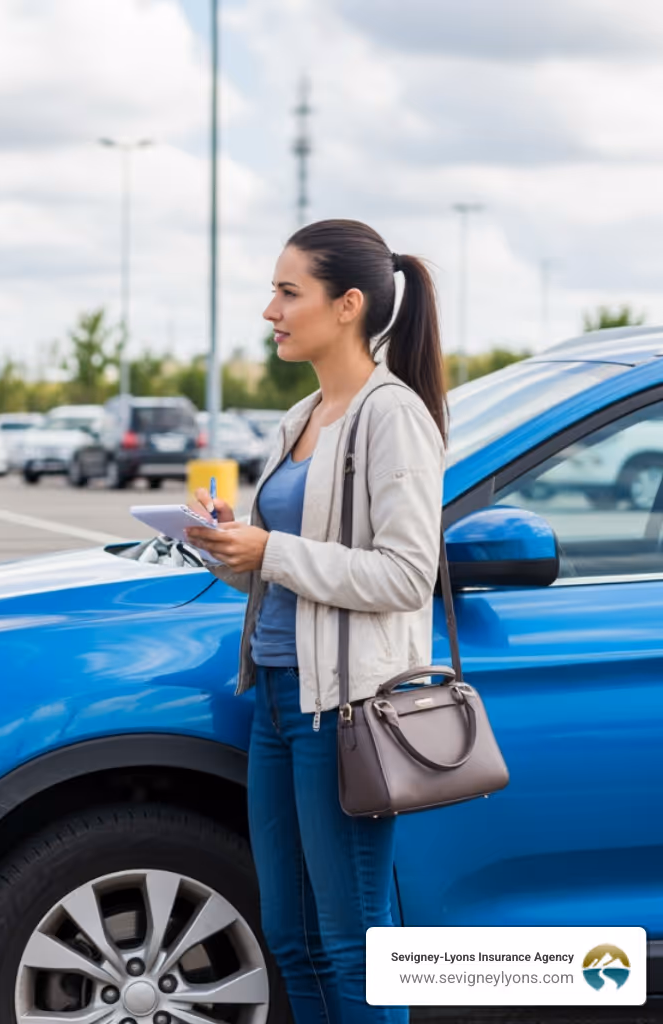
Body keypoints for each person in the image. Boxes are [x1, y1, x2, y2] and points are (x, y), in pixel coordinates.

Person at [186, 219, 447, 1024]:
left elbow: (406, 574)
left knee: (353, 942)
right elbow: (284, 571)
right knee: (291, 939)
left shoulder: (391, 415)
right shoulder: (299, 416)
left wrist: (273, 549)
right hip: (274, 696)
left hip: (343, 708)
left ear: (348, 305)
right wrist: (229, 550)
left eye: (287, 292)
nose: (270, 310)